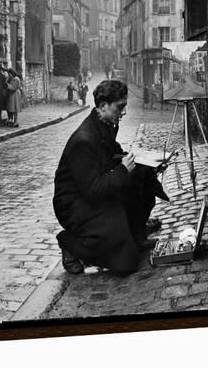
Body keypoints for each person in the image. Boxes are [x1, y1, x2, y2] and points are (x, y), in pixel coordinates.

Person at [53, 80, 169, 275]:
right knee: (126, 262)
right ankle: (69, 243)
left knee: (142, 179)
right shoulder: (83, 140)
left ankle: (135, 238)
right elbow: (94, 190)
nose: (123, 112)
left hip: (94, 194)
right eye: (120, 107)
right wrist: (124, 171)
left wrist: (149, 165)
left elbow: (115, 155)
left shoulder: (105, 124)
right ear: (103, 106)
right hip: (75, 205)